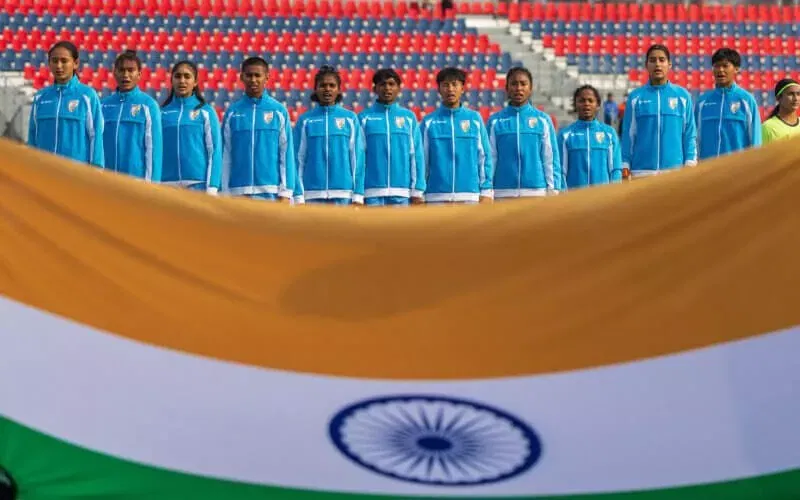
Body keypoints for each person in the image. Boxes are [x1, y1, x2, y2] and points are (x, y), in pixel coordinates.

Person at [221, 56, 296, 202]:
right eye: (249, 75)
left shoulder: (279, 111)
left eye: (257, 75)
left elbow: (286, 153)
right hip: (238, 193)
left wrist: (286, 192)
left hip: (271, 193)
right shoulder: (232, 112)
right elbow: (225, 154)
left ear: (266, 77)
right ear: (242, 77)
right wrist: (224, 191)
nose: (253, 80)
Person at [621, 44, 697, 179]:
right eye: (652, 60)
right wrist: (624, 164)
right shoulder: (635, 97)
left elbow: (689, 134)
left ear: (669, 64)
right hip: (641, 172)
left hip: (675, 173)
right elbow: (628, 134)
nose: (657, 64)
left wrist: (690, 163)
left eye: (662, 60)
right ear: (646, 65)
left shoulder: (683, 96)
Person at [294, 65, 365, 205]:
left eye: (332, 85)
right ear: (316, 89)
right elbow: (298, 159)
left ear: (338, 90)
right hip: (311, 195)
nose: (327, 89)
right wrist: (298, 194)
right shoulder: (305, 120)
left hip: (344, 195)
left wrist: (358, 194)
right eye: (323, 85)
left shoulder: (350, 119)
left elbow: (357, 159)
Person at [420, 67, 493, 204]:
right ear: (439, 89)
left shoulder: (474, 119)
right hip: (436, 197)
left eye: (455, 84)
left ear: (462, 88)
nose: (450, 89)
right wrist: (419, 191)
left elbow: (484, 156)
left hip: (469, 196)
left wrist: (486, 190)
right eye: (445, 85)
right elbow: (422, 159)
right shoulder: (428, 122)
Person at [487, 66, 560, 199]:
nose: (518, 88)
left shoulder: (542, 120)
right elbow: (490, 158)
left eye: (523, 84)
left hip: (536, 192)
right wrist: (486, 190)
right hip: (503, 192)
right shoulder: (495, 121)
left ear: (530, 88)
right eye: (514, 84)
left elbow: (550, 157)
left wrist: (553, 190)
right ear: (507, 88)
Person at [27, 41, 104, 167]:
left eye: (64, 61)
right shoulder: (40, 97)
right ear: (49, 64)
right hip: (44, 171)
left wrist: (96, 169)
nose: (59, 66)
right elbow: (32, 137)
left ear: (75, 63)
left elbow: (96, 136)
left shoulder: (87, 96)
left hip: (76, 174)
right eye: (54, 61)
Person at [358, 68, 425, 206]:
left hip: (402, 194)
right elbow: (358, 158)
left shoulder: (409, 118)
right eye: (382, 84)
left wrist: (417, 189)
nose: (387, 88)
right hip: (371, 194)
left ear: (399, 88)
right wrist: (358, 192)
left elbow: (416, 155)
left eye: (391, 84)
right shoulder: (363, 118)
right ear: (374, 89)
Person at [160, 60, 222, 194]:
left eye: (187, 76)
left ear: (195, 82)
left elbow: (215, 151)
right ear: (172, 80)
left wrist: (212, 186)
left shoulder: (206, 112)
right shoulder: (161, 113)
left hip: (198, 185)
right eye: (178, 76)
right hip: (166, 185)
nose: (182, 81)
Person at [101, 50, 162, 181]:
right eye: (121, 70)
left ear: (139, 74)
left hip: (135, 182)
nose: (126, 75)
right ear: (114, 73)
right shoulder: (103, 105)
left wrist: (153, 185)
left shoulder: (149, 105)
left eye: (130, 70)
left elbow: (154, 150)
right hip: (106, 181)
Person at [694, 48, 761, 160]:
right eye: (716, 66)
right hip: (708, 167)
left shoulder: (747, 100)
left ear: (736, 69)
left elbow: (755, 139)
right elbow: (694, 138)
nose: (720, 70)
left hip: (737, 167)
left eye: (725, 66)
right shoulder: (702, 102)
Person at [558, 85, 622, 189]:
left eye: (590, 100)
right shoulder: (565, 135)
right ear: (575, 104)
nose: (586, 104)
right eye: (582, 101)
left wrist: (613, 193)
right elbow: (560, 171)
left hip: (603, 196)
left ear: (597, 105)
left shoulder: (609, 133)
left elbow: (615, 169)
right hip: (574, 196)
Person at [762, 78, 800, 145]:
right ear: (778, 98)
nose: (796, 98)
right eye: (790, 94)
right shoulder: (767, 127)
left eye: (798, 94)